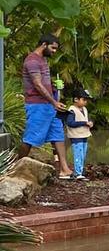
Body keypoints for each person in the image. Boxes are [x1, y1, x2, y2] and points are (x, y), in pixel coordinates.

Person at [19, 34, 74, 179]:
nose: (55, 51)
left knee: (57, 135)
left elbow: (43, 82)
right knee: (31, 137)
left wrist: (55, 89)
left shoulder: (42, 60)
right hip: (37, 105)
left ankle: (64, 169)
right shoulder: (32, 60)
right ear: (44, 44)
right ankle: (16, 168)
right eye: (53, 48)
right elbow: (37, 84)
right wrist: (53, 102)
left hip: (49, 104)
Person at [64, 88, 94, 180]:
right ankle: (77, 173)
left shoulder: (84, 109)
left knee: (83, 154)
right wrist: (84, 123)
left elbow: (87, 119)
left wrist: (90, 122)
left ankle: (81, 171)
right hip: (76, 136)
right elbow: (70, 123)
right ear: (76, 99)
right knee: (78, 154)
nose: (85, 102)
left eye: (86, 100)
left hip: (84, 135)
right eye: (84, 100)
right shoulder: (71, 110)